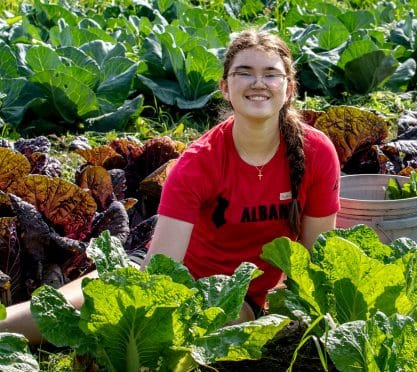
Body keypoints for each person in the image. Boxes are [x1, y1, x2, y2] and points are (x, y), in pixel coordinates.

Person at [0, 28, 340, 342]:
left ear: (289, 88)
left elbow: (316, 257)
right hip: (161, 276)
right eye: (244, 72)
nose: (258, 83)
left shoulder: (317, 152)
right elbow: (161, 270)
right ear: (225, 87)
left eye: (270, 74)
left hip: (233, 297)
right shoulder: (199, 162)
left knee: (205, 326)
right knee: (45, 317)